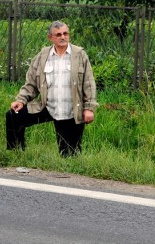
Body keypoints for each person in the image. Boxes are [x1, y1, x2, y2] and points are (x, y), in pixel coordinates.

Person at [6, 20, 98, 157]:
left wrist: (89, 108)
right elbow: (31, 82)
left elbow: (88, 83)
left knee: (69, 155)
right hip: (47, 106)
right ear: (51, 37)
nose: (63, 37)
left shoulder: (79, 54)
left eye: (65, 33)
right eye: (58, 34)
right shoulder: (43, 56)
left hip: (70, 110)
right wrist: (21, 100)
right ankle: (16, 153)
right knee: (14, 115)